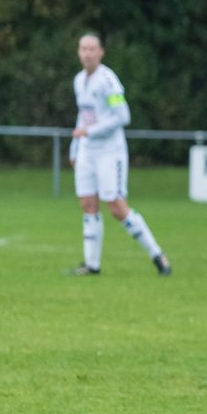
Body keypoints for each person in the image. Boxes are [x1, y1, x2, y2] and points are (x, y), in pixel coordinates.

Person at [67, 33, 172, 277]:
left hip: (109, 151)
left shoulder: (108, 81)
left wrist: (90, 131)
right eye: (83, 48)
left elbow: (122, 117)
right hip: (87, 151)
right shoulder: (79, 80)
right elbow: (82, 115)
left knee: (115, 206)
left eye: (92, 49)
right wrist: (75, 146)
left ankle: (158, 255)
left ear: (101, 52)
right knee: (87, 204)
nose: (87, 53)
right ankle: (91, 265)